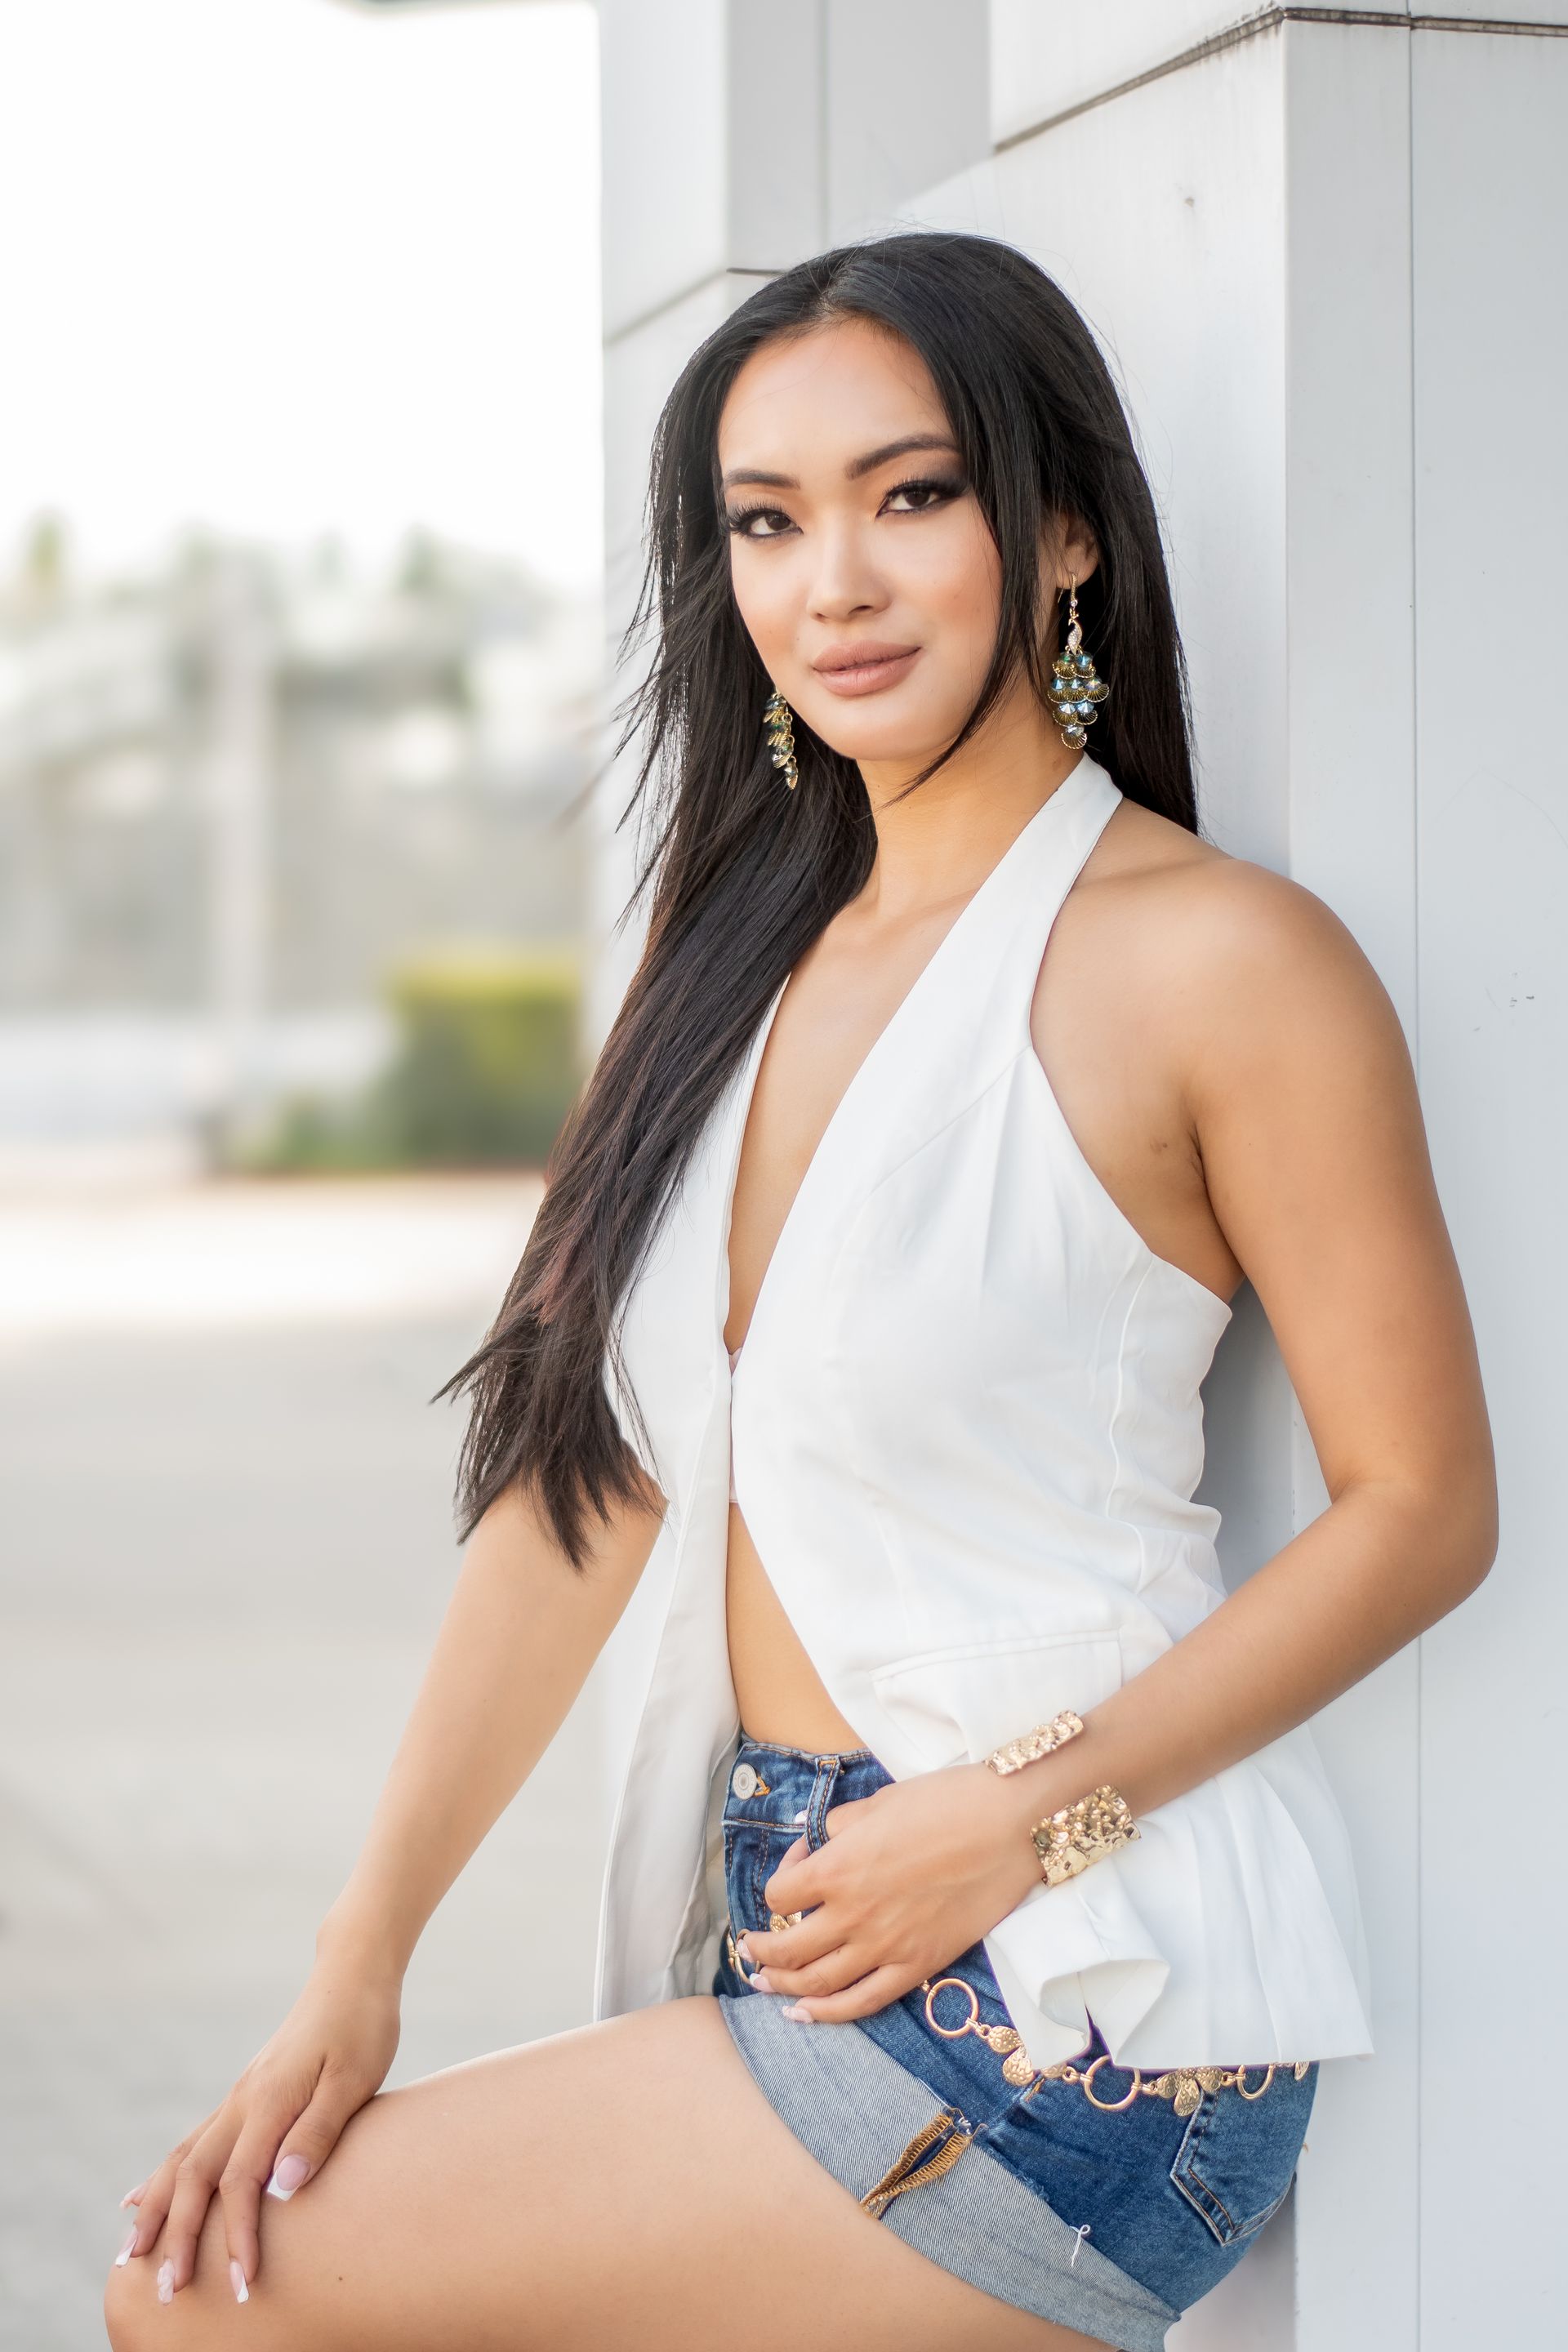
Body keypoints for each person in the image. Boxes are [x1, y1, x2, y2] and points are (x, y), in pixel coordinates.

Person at [105, 230, 1496, 2352]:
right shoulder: (725, 965)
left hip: (1084, 1990)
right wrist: (359, 1954)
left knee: (217, 2300)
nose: (830, 581)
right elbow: (583, 1500)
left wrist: (1030, 1825)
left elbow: (1423, 1506)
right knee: (223, 2250)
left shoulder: (1221, 962)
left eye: (907, 495)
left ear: (1062, 536)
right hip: (792, 1914)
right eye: (767, 521)